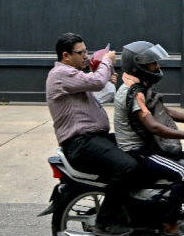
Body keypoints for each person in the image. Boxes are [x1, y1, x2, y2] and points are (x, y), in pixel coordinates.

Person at [113, 41, 184, 236]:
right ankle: (170, 224)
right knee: (182, 174)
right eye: (152, 63)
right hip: (137, 152)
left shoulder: (140, 85)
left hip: (147, 147)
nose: (157, 66)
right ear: (138, 64)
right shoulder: (133, 92)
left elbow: (164, 111)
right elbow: (154, 126)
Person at [46, 33, 137, 236]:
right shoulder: (60, 74)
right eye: (81, 52)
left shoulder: (73, 77)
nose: (86, 56)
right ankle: (105, 222)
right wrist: (105, 62)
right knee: (126, 167)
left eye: (86, 51)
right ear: (66, 55)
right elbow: (95, 82)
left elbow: (99, 94)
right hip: (81, 143)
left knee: (139, 150)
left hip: (95, 139)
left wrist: (106, 79)